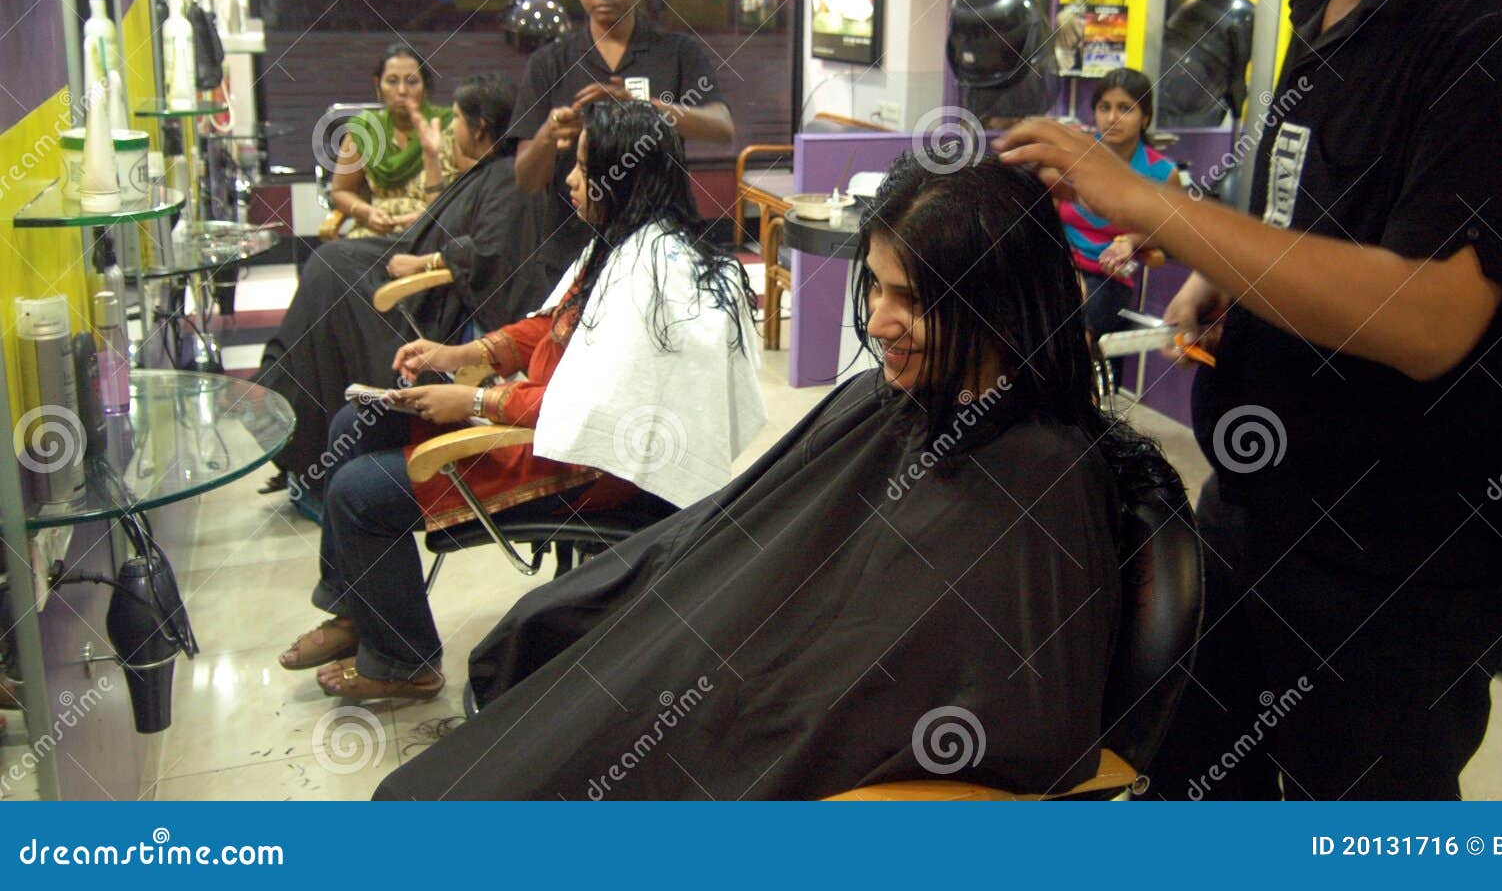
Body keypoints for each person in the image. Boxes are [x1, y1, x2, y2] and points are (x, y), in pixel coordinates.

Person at [998, 0, 1502, 800]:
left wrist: (1155, 203)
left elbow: (1429, 317)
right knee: (1189, 779)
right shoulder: (1317, 4)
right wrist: (1214, 268)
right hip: (1256, 499)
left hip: (1398, 556)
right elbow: (1304, 212)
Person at [372, 153, 1187, 801]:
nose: (877, 320)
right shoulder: (887, 401)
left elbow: (1001, 719)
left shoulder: (1038, 480)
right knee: (552, 657)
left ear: (1001, 306)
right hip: (738, 673)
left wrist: (748, 692)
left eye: (914, 298)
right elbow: (740, 532)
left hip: (789, 739)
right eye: (874, 284)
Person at [279, 99, 766, 702]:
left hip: (586, 461)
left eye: (583, 167)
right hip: (551, 419)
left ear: (622, 176)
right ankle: (360, 611)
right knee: (359, 418)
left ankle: (404, 661)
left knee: (356, 493)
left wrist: (477, 403)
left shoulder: (654, 275)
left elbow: (601, 413)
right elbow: (551, 327)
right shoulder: (622, 242)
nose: (568, 179)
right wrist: (459, 357)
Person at [256, 75, 537, 508]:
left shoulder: (503, 177)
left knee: (329, 276)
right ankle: (292, 413)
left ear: (479, 129)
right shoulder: (479, 169)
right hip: (408, 265)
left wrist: (427, 262)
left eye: (458, 120)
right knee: (327, 270)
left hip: (429, 306)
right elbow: (446, 219)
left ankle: (300, 432)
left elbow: (491, 254)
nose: (450, 131)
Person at [509, 0, 735, 298]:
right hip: (571, 247)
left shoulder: (677, 53)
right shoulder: (551, 63)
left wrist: (641, 105)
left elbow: (721, 128)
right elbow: (526, 179)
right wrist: (550, 133)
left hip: (662, 244)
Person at [1059, 68, 1179, 388]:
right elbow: (1045, 211)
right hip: (1060, 264)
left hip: (1107, 275)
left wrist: (1131, 240)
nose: (1112, 117)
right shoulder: (1072, 156)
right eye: (1104, 107)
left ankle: (1072, 409)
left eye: (1125, 108)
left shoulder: (1161, 173)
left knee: (1074, 325)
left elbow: (1169, 228)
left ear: (1145, 117)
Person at [329, 43, 459, 238]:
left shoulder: (449, 125)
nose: (402, 91)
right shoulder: (365, 130)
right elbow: (340, 191)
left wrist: (427, 217)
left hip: (433, 231)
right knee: (327, 261)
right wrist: (367, 212)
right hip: (376, 232)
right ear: (378, 86)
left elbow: (472, 191)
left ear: (425, 86)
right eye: (392, 81)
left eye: (412, 81)